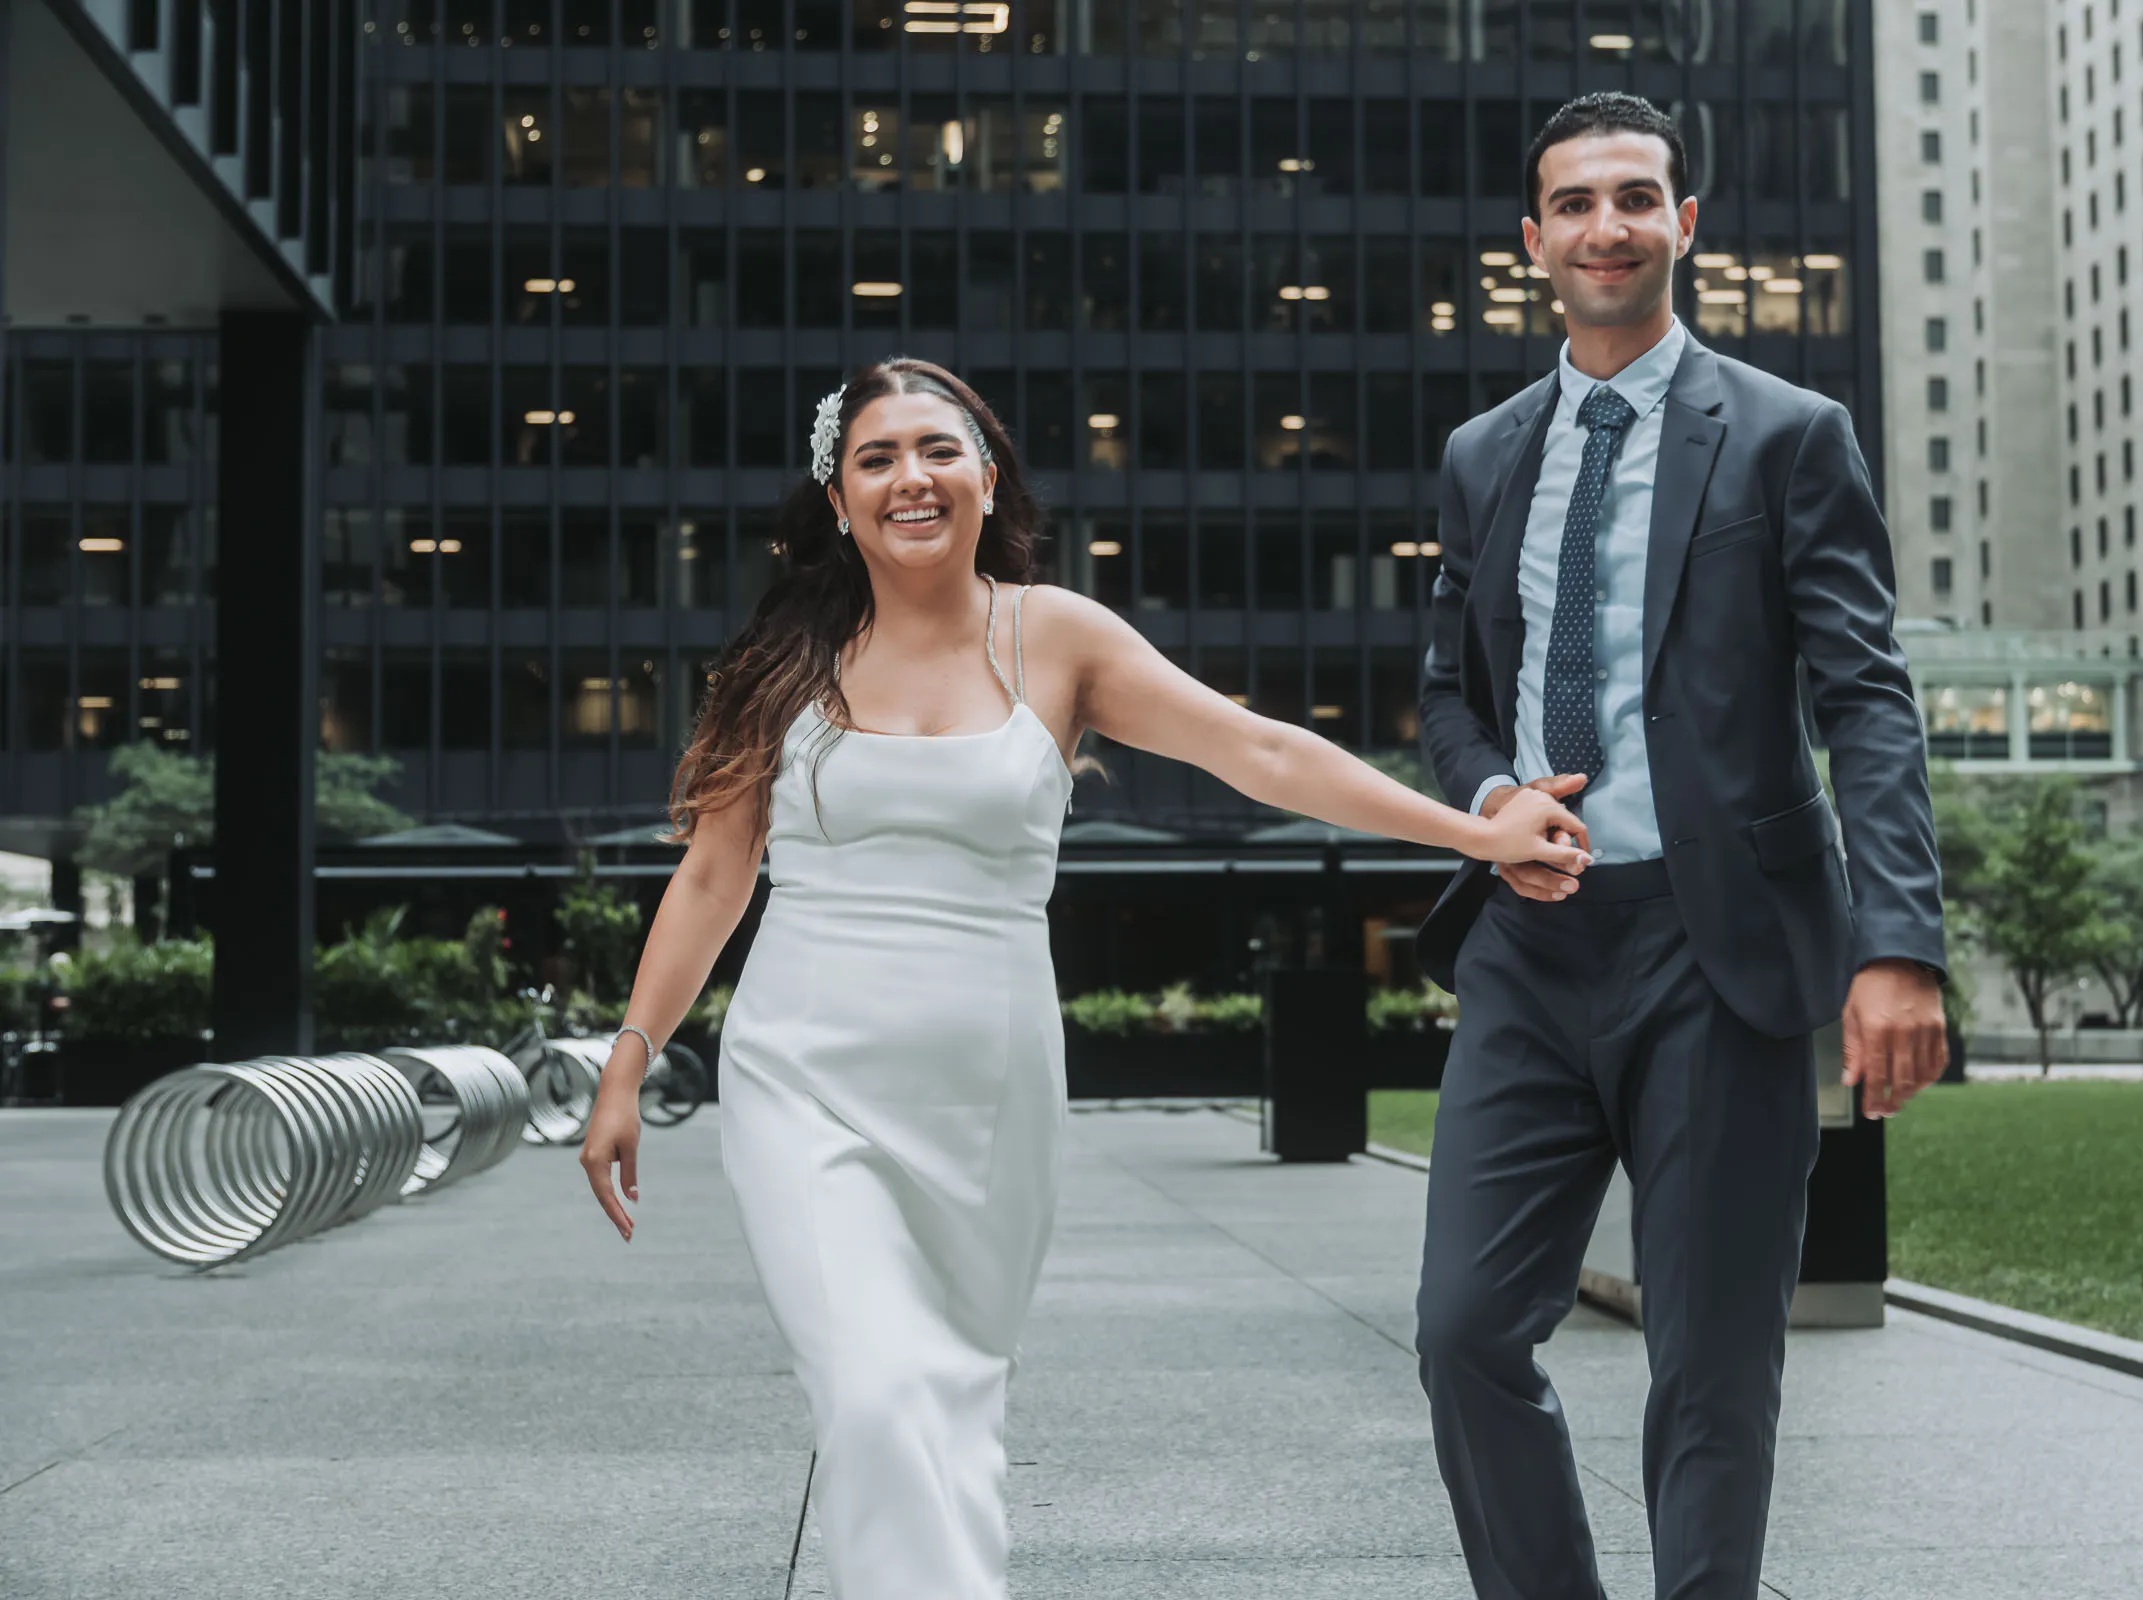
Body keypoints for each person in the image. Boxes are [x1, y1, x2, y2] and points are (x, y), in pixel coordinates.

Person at [576, 356, 1592, 1599]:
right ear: (837, 500)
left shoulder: (1055, 637)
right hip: (804, 1077)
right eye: (877, 457)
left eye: (938, 450)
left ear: (986, 476)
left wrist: (1477, 831)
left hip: (988, 1097)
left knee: (948, 1399)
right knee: (879, 1385)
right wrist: (628, 1056)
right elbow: (713, 877)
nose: (912, 478)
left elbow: (1259, 751)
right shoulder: (785, 660)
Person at [1411, 94, 1949, 1600]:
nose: (1607, 227)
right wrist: (1491, 796)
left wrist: (1896, 945)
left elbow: (1866, 697)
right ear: (1533, 243)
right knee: (1462, 1331)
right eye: (1574, 205)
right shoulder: (1480, 455)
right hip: (1531, 941)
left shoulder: (1787, 437)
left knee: (1711, 1366)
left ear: (1684, 224)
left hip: (1719, 951)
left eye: (1636, 198)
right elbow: (1451, 687)